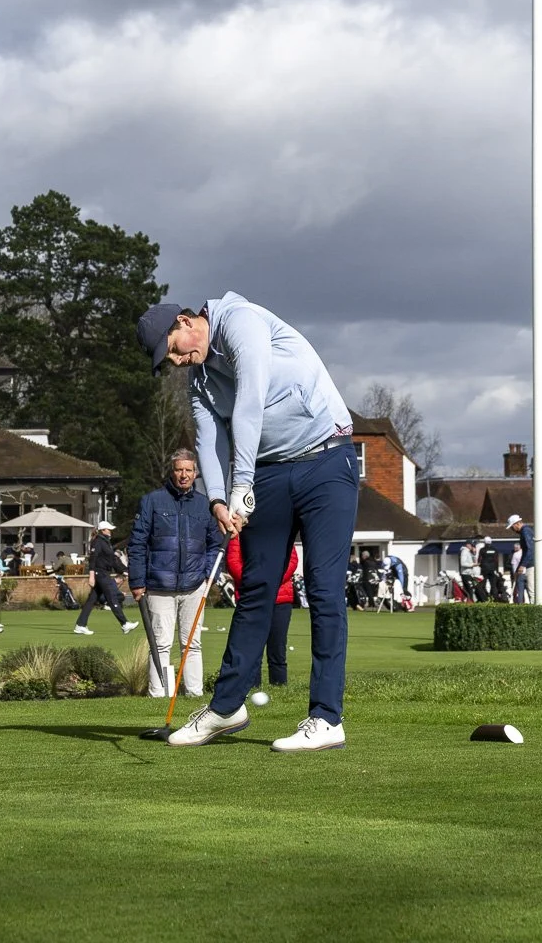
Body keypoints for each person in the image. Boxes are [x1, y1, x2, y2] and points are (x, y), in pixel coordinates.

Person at [139, 295, 359, 752]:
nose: (177, 361)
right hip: (272, 472)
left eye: (174, 349)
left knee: (322, 588)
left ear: (185, 321)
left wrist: (242, 482)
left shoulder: (240, 321)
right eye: (169, 360)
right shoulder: (199, 383)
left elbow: (251, 403)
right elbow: (208, 440)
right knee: (256, 588)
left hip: (327, 460)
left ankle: (326, 717)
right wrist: (218, 499)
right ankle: (226, 708)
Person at [130, 449, 224, 698]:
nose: (184, 475)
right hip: (159, 586)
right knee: (160, 643)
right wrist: (137, 581)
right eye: (179, 469)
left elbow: (215, 544)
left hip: (195, 585)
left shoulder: (205, 504)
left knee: (192, 643)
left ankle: (194, 694)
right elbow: (138, 543)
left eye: (189, 470)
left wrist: (208, 575)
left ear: (196, 473)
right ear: (171, 471)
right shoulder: (152, 501)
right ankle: (158, 694)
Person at [227, 531, 298, 685]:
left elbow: (292, 561)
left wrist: (270, 581)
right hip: (252, 596)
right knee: (252, 647)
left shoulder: (283, 529)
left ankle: (279, 686)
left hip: (280, 597)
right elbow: (233, 561)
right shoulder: (239, 532)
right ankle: (252, 685)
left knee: (277, 648)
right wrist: (256, 582)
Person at [72, 521, 137, 635]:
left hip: (104, 573)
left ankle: (80, 625)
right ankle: (124, 624)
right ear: (103, 530)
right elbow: (93, 559)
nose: (110, 531)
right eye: (108, 529)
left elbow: (112, 560)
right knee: (112, 597)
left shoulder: (106, 543)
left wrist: (124, 571)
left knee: (91, 600)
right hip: (100, 574)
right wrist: (91, 575)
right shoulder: (98, 542)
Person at [505, 514, 536, 604]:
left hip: (531, 564)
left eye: (512, 527)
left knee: (532, 591)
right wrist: (519, 568)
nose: (512, 530)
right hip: (530, 563)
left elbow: (530, 549)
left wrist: (523, 565)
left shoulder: (525, 531)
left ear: (516, 524)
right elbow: (525, 552)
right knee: (532, 591)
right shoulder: (525, 531)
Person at [458, 537, 485, 602]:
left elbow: (473, 560)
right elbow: (463, 563)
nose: (473, 546)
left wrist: (474, 553)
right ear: (467, 544)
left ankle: (476, 601)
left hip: (470, 574)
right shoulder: (464, 551)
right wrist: (473, 565)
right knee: (469, 590)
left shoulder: (469, 552)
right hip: (466, 574)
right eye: (472, 545)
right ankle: (470, 603)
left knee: (476, 587)